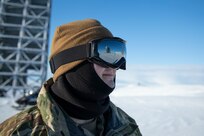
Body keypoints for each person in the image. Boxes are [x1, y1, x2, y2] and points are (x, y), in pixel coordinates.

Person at [0, 19, 142, 136]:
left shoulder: (126, 126)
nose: (115, 66)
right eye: (106, 53)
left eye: (119, 55)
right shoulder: (17, 131)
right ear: (70, 61)